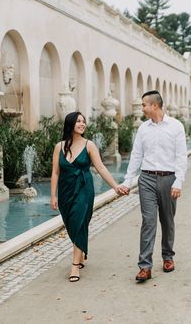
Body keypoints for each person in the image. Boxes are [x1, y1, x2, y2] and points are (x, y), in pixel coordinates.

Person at [51, 111, 126, 282]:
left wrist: (115, 186)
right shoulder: (59, 146)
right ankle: (81, 250)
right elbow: (55, 173)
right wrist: (53, 196)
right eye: (78, 121)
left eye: (83, 122)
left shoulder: (89, 145)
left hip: (84, 189)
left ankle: (75, 266)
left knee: (79, 222)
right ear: (70, 124)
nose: (82, 124)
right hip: (65, 191)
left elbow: (100, 168)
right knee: (71, 225)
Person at [120, 90, 187, 283]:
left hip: (169, 179)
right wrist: (127, 180)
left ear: (154, 106)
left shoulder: (176, 127)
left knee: (167, 220)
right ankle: (145, 267)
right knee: (148, 221)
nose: (142, 108)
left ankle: (167, 256)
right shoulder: (143, 129)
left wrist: (179, 181)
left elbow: (181, 157)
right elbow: (136, 156)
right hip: (147, 179)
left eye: (144, 105)